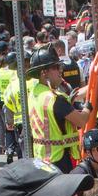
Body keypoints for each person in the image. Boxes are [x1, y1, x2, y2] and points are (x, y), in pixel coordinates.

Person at [26, 45, 88, 173]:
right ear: (44, 73)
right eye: (55, 67)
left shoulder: (34, 93)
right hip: (60, 161)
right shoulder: (55, 99)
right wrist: (89, 106)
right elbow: (81, 121)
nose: (60, 70)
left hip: (41, 160)